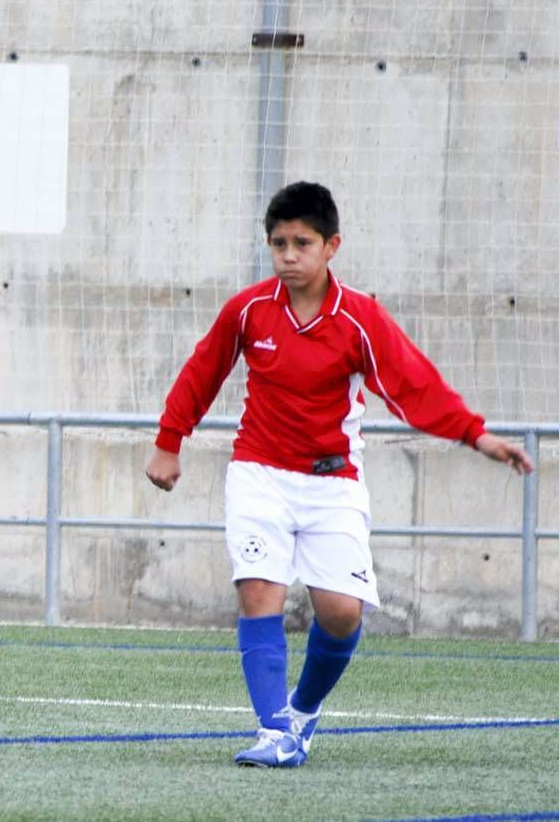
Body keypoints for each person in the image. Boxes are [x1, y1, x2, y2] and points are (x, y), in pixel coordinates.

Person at [146, 181, 534, 768]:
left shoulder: (359, 319)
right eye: (278, 243)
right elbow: (203, 370)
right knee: (259, 593)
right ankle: (274, 731)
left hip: (332, 483)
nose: (289, 255)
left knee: (342, 612)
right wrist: (168, 442)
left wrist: (474, 434)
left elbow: (412, 385)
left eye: (302, 242)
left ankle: (302, 713)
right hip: (259, 474)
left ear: (332, 246)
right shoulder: (249, 311)